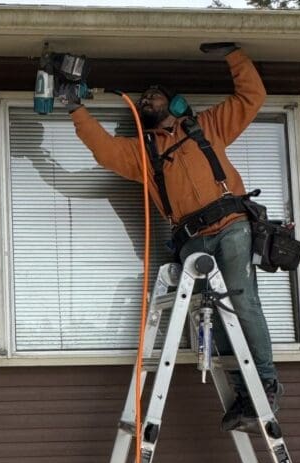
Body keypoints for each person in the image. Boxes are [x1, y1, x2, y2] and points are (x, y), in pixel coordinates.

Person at [66, 43, 281, 431]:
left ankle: (265, 386)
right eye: (144, 97)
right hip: (192, 241)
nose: (148, 98)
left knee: (241, 302)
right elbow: (104, 150)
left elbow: (253, 96)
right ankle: (243, 392)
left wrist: (234, 55)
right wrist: (75, 108)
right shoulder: (144, 154)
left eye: (155, 93)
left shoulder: (209, 127)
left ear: (176, 102)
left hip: (232, 227)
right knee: (211, 320)